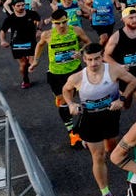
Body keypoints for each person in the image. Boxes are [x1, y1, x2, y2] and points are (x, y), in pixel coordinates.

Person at [62, 43, 136, 196]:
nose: (93, 63)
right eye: (89, 59)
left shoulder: (113, 70)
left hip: (110, 116)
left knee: (111, 150)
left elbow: (133, 81)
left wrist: (122, 98)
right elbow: (66, 90)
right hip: (90, 119)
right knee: (98, 156)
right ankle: (107, 195)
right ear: (84, 59)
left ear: (102, 56)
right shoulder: (78, 78)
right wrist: (71, 103)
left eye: (97, 58)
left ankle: (95, 146)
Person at [32, 8, 92, 147]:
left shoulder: (76, 30)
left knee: (79, 98)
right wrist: (35, 60)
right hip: (56, 74)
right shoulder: (47, 34)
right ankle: (72, 132)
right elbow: (40, 45)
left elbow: (88, 42)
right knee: (64, 101)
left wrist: (81, 52)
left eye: (64, 22)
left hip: (74, 71)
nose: (62, 25)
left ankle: (73, 120)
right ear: (53, 23)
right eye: (58, 23)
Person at [0, 0, 40, 88]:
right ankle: (25, 79)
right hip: (17, 43)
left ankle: (30, 67)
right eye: (18, 5)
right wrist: (2, 40)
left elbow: (38, 20)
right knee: (23, 64)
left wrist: (39, 29)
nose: (21, 7)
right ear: (13, 7)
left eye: (23, 5)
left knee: (32, 62)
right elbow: (3, 31)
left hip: (31, 41)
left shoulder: (31, 14)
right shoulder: (10, 18)